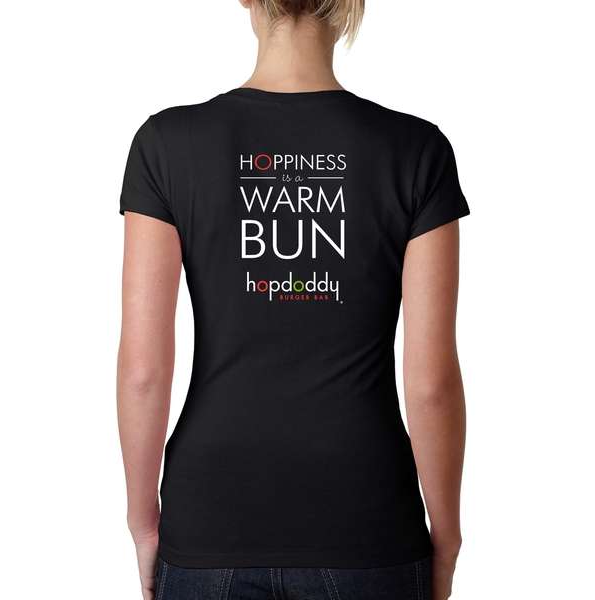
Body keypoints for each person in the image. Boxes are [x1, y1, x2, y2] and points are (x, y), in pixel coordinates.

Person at [117, 1, 469, 598]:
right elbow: (431, 384)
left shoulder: (167, 143)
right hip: (368, 519)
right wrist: (449, 535)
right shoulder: (415, 150)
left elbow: (143, 372)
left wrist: (143, 523)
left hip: (210, 515)